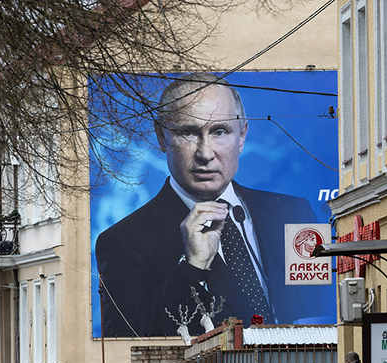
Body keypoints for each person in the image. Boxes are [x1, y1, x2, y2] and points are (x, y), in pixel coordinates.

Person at [95, 73, 331, 337]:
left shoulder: (294, 212)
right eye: (188, 132)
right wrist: (193, 267)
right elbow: (128, 343)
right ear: (162, 137)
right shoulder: (122, 242)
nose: (205, 153)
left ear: (242, 136)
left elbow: (324, 310)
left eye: (219, 132)